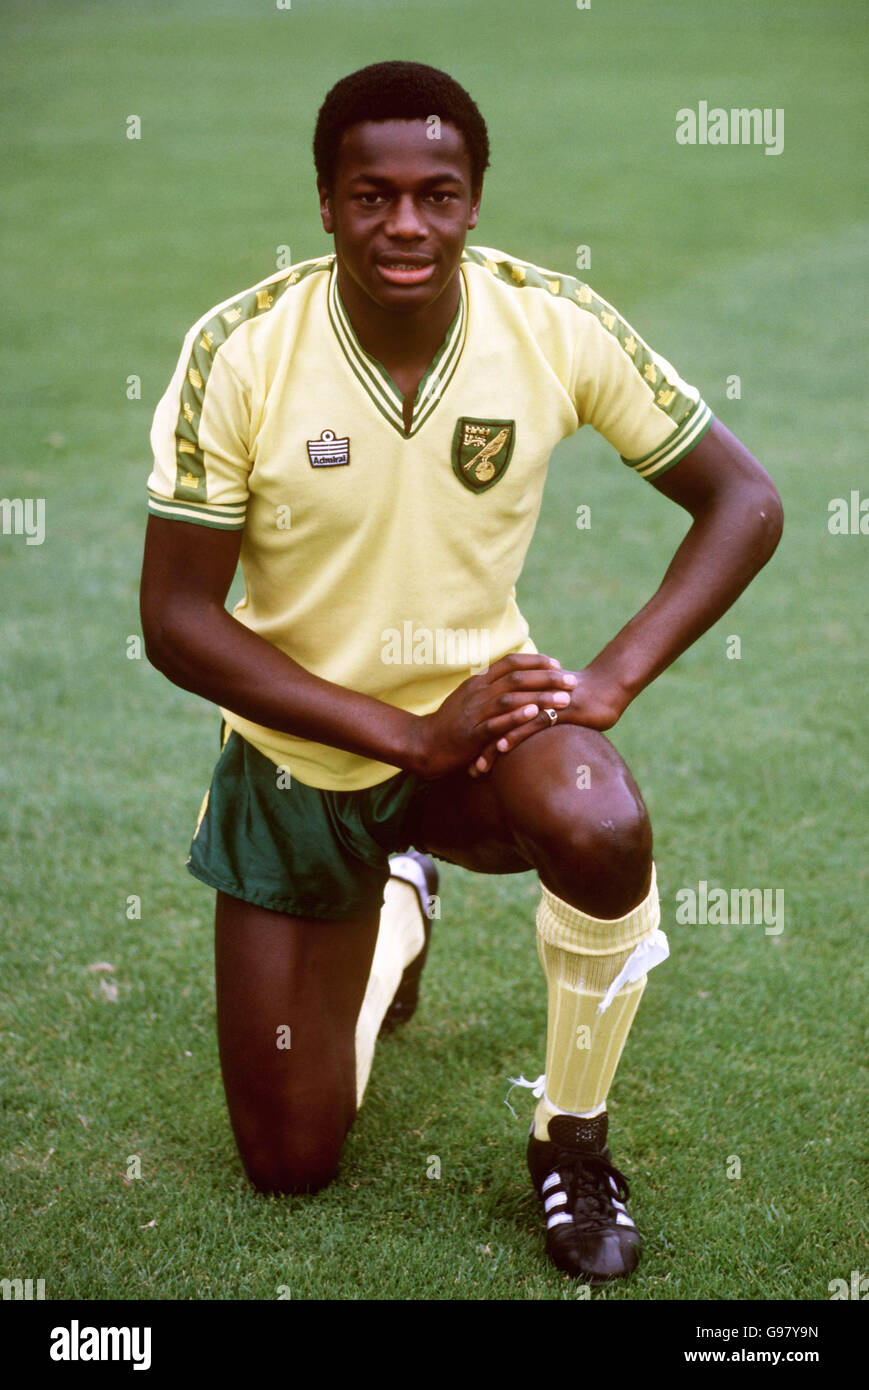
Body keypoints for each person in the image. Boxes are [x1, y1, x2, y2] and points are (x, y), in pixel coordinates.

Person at [139, 60, 783, 1285]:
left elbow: (742, 500)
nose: (404, 225)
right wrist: (401, 734)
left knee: (596, 820)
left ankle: (572, 1137)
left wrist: (609, 680)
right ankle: (396, 904)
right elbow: (176, 620)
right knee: (289, 1162)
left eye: (435, 194)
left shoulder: (549, 323)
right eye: (371, 194)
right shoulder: (241, 350)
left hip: (478, 734)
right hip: (299, 759)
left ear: (474, 200)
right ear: (325, 203)